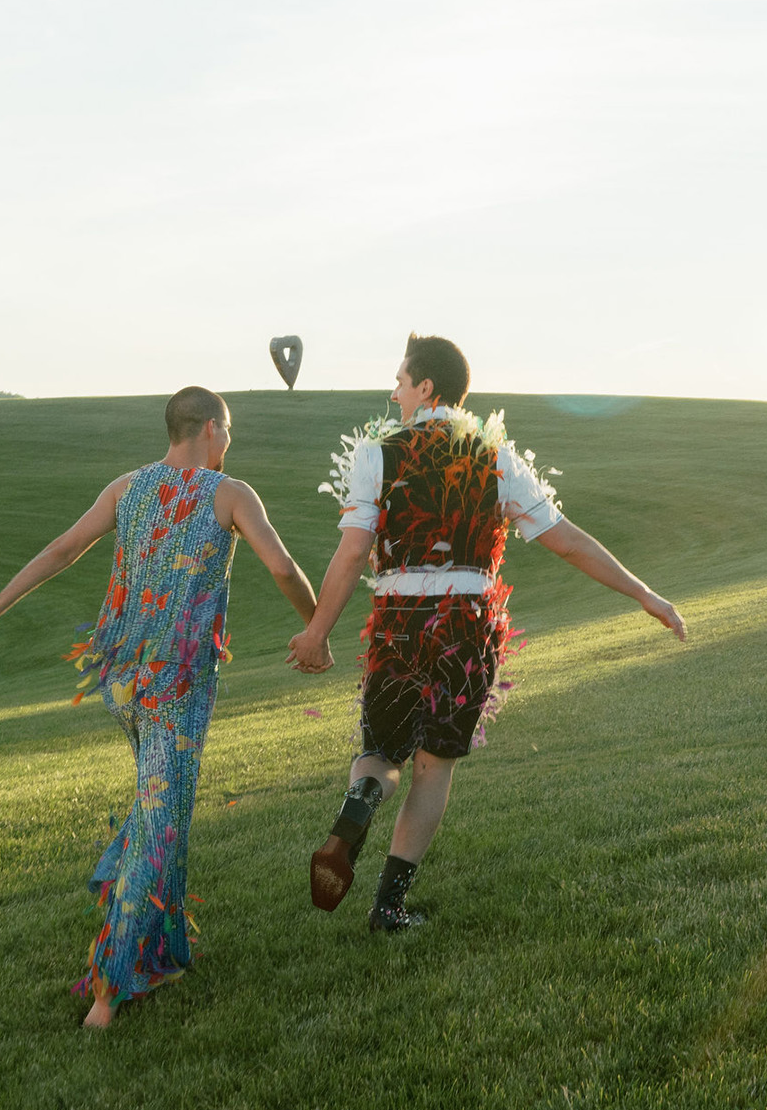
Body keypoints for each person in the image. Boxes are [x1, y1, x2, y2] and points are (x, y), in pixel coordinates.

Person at [0, 387, 320, 1028]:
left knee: (161, 804)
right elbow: (282, 568)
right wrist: (318, 630)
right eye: (228, 430)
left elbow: (63, 547)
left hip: (120, 681)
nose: (231, 443)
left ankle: (163, 954)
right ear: (205, 428)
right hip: (175, 684)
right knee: (159, 821)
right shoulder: (230, 493)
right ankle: (108, 994)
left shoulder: (127, 487)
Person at [287, 335, 687, 931]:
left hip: (398, 620)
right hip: (467, 628)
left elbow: (352, 553)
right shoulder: (497, 457)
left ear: (427, 387)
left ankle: (362, 802)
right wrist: (645, 594)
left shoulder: (378, 451)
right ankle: (388, 906)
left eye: (400, 380)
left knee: (379, 751)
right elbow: (568, 542)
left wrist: (317, 632)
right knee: (434, 764)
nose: (393, 393)